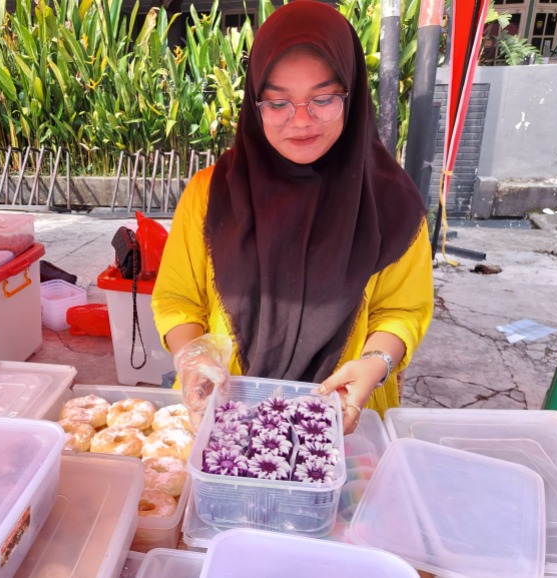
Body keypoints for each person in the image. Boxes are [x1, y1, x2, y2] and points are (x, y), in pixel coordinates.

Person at [152, 0, 433, 434]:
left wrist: (375, 363)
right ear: (254, 102)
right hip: (224, 413)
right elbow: (177, 299)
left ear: (351, 94)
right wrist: (193, 359)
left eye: (322, 98)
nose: (300, 121)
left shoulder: (391, 202)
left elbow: (402, 309)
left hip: (344, 420)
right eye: (278, 102)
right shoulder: (210, 194)